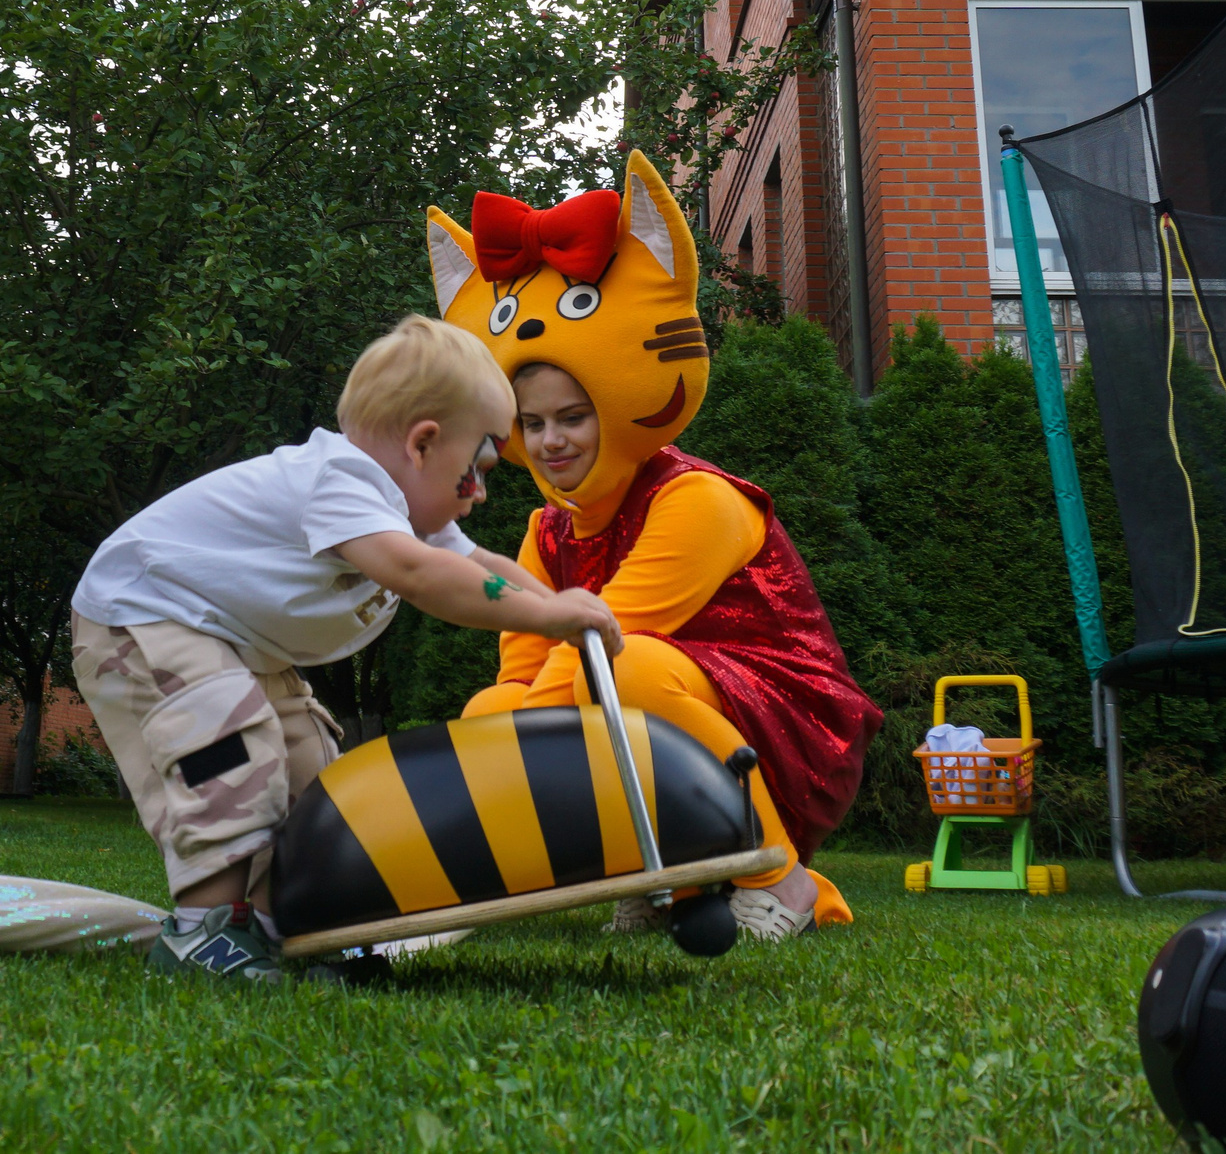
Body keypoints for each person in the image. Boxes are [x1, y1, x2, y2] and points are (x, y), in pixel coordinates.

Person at [69, 313, 625, 982]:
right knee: (224, 743)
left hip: (236, 640)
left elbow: (481, 564)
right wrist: (543, 615)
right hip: (142, 616)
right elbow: (419, 575)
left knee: (314, 769)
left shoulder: (406, 510)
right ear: (422, 444)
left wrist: (561, 604)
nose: (479, 491)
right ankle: (204, 931)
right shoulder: (341, 480)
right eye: (475, 467)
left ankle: (286, 927)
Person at [426, 149, 882, 940]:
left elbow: (599, 637)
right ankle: (654, 873)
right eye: (533, 423)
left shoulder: (697, 499)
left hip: (785, 727)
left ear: (612, 399)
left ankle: (784, 875)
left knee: (617, 668)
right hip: (656, 698)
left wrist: (520, 763)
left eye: (571, 414)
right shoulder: (546, 529)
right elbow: (524, 670)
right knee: (492, 705)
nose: (552, 440)